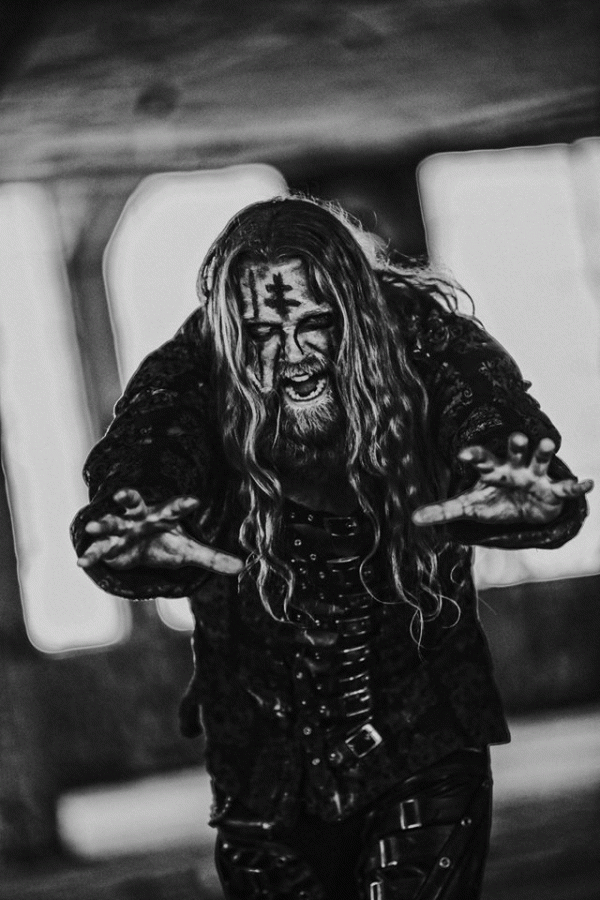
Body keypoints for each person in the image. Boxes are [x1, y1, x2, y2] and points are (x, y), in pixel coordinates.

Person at [72, 196, 592, 900]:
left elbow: (506, 439)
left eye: (316, 323)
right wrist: (131, 526)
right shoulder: (195, 363)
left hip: (424, 738)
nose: (293, 355)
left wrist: (520, 495)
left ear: (356, 308)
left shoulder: (426, 339)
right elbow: (139, 463)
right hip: (262, 772)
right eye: (263, 333)